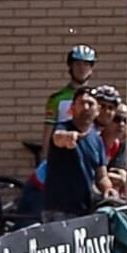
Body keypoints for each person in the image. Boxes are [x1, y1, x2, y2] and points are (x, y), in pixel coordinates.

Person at [44, 86, 112, 219]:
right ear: (72, 108)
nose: (86, 107)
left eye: (90, 104)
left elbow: (101, 176)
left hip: (86, 211)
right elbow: (58, 137)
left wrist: (107, 189)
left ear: (98, 110)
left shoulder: (97, 140)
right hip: (59, 210)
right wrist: (67, 138)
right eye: (81, 103)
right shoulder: (62, 127)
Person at [41, 44, 97, 158]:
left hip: (89, 155)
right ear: (70, 66)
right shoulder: (56, 99)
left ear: (91, 68)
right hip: (63, 156)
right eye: (77, 64)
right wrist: (45, 161)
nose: (82, 68)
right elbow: (48, 134)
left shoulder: (97, 99)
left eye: (86, 64)